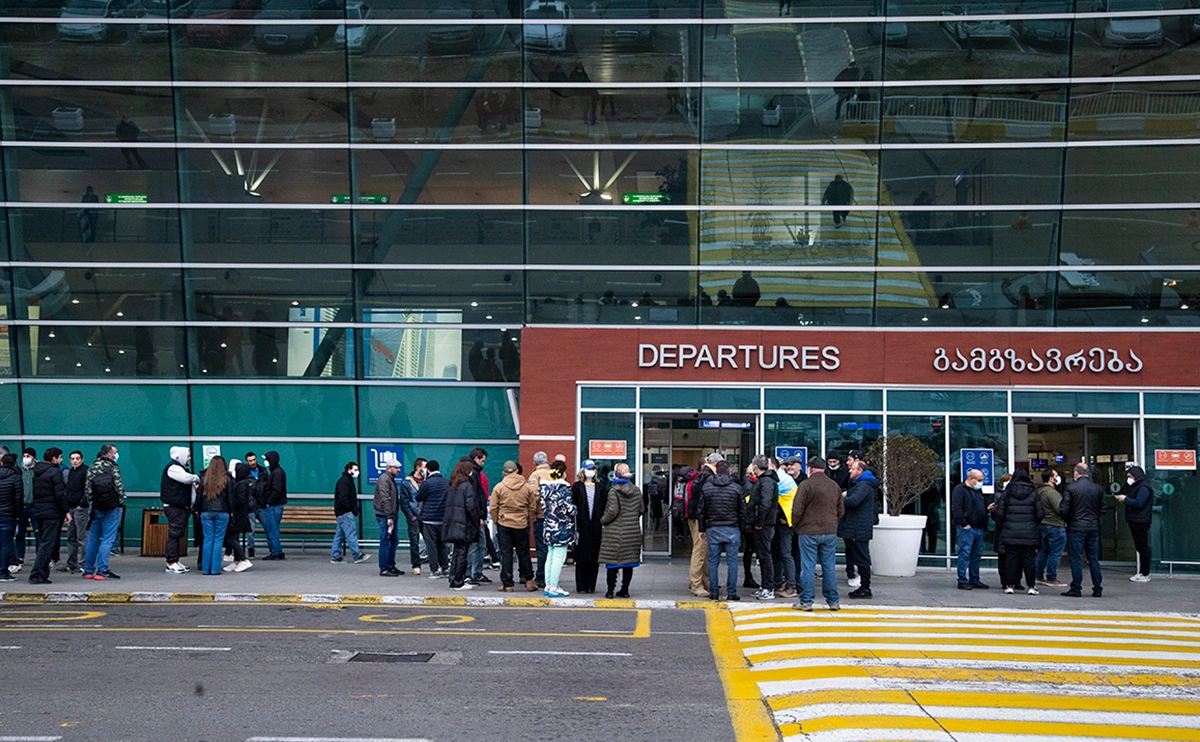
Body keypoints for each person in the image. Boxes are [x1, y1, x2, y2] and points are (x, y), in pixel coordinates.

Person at [791, 457, 844, 612]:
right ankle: (833, 601)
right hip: (829, 531)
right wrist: (833, 523)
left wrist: (797, 526)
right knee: (829, 567)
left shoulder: (806, 485)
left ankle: (806, 601)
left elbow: (797, 509)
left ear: (810, 468)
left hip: (808, 531)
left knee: (807, 566)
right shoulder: (834, 486)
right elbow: (841, 509)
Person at [698, 460, 744, 602]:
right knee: (732, 562)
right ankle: (731, 593)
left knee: (713, 561)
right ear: (729, 470)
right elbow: (743, 511)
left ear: (716, 471)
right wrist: (741, 528)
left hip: (713, 528)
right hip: (732, 528)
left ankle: (713, 593)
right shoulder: (736, 488)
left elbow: (701, 511)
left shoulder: (707, 488)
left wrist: (702, 529)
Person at [490, 460, 538, 593]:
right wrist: (528, 520)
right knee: (523, 552)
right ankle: (529, 581)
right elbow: (532, 506)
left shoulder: (499, 487)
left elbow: (493, 507)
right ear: (517, 471)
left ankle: (508, 584)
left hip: (504, 523)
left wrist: (496, 520)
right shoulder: (527, 487)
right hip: (521, 523)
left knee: (506, 554)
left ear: (504, 473)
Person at [994, 468, 1044, 595]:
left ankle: (1009, 585)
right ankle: (1031, 586)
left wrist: (1005, 524)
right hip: (1029, 533)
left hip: (1010, 531)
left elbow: (999, 512)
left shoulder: (1008, 492)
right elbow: (1040, 513)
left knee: (1011, 559)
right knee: (1029, 560)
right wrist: (1033, 524)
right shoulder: (1033, 492)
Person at [599, 463, 644, 599]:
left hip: (615, 532)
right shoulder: (636, 490)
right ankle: (624, 590)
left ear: (616, 475)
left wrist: (602, 521)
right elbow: (641, 509)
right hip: (632, 532)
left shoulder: (614, 491)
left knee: (612, 563)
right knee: (628, 563)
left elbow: (612, 511)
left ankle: (610, 591)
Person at [1059, 462, 1105, 598]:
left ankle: (1076, 588)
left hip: (1076, 526)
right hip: (1093, 526)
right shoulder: (1098, 489)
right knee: (1093, 558)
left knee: (1076, 558)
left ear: (1076, 473)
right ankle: (1097, 588)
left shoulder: (1071, 488)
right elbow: (1103, 509)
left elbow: (1064, 509)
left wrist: (1069, 520)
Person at [83, 444, 124, 581]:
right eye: (115, 452)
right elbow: (119, 487)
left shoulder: (92, 467)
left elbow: (88, 489)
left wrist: (92, 503)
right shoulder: (113, 467)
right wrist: (120, 504)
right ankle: (102, 569)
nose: (116, 455)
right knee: (108, 539)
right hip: (112, 507)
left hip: (95, 507)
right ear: (109, 455)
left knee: (93, 538)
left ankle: (88, 570)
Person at [29, 448, 69, 585]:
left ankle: (42, 574)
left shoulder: (37, 472)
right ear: (53, 459)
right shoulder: (54, 472)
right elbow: (59, 494)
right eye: (60, 457)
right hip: (52, 512)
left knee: (43, 543)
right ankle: (37, 574)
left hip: (39, 511)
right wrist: (66, 511)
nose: (61, 460)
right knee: (48, 544)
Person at [841, 459, 878, 599]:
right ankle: (864, 587)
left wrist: (841, 497)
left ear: (860, 471)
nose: (849, 470)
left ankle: (865, 588)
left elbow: (853, 501)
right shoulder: (861, 484)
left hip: (859, 529)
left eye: (853, 469)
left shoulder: (864, 485)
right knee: (859, 557)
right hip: (857, 527)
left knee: (862, 559)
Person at [443, 459, 482, 591]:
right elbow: (471, 506)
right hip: (464, 523)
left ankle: (453, 579)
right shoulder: (467, 486)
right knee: (462, 554)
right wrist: (477, 521)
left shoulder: (452, 485)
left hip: (453, 523)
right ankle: (458, 581)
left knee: (456, 553)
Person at [571, 459, 608, 594]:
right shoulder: (576, 487)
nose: (591, 471)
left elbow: (605, 506)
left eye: (593, 468)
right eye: (588, 468)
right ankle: (581, 586)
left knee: (594, 557)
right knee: (581, 558)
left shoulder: (601, 487)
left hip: (596, 527)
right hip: (581, 527)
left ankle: (591, 586)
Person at [161, 446, 199, 575]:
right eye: (188, 455)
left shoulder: (179, 468)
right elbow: (187, 478)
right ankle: (171, 562)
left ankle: (175, 560)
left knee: (178, 535)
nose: (190, 458)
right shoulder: (174, 468)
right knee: (174, 534)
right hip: (175, 508)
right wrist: (196, 478)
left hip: (181, 507)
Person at [540, 464, 577, 598]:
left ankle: (548, 584)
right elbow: (568, 508)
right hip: (562, 528)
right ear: (562, 474)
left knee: (550, 556)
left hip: (549, 526)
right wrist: (575, 509)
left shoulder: (544, 488)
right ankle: (554, 587)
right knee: (559, 558)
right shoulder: (563, 489)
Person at [951, 468, 990, 590]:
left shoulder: (978, 491)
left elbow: (979, 507)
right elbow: (956, 508)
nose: (981, 482)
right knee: (965, 553)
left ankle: (974, 579)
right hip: (967, 528)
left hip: (978, 527)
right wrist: (964, 524)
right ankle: (962, 579)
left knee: (976, 555)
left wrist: (987, 509)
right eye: (979, 480)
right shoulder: (960, 490)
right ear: (971, 478)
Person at [746, 455, 778, 601]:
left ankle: (768, 588)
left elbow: (765, 503)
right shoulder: (766, 480)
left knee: (765, 556)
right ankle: (765, 586)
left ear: (755, 466)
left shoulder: (766, 481)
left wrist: (759, 522)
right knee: (763, 555)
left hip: (764, 525)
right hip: (764, 523)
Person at [1116, 464, 1154, 583]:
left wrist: (1125, 499)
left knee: (1142, 547)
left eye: (1130, 476)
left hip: (1140, 520)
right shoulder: (1136, 486)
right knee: (1140, 546)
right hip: (1135, 519)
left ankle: (1144, 572)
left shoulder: (1143, 488)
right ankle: (1142, 572)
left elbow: (1139, 503)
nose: (1129, 478)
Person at [195, 456, 233, 576]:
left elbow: (199, 498)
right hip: (222, 511)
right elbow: (230, 498)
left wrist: (197, 511)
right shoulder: (227, 479)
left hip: (206, 511)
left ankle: (206, 569)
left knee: (207, 539)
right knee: (218, 540)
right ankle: (215, 569)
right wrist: (232, 512)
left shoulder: (203, 479)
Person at [416, 460, 450, 578]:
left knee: (431, 545)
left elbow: (418, 497)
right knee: (442, 544)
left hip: (429, 519)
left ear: (428, 470)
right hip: (443, 518)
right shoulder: (446, 482)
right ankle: (445, 567)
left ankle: (434, 570)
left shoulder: (427, 483)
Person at [331, 462, 370, 565]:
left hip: (341, 511)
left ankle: (335, 555)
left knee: (340, 535)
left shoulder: (345, 480)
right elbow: (344, 498)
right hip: (344, 512)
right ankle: (357, 555)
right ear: (349, 470)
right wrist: (349, 509)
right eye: (355, 470)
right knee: (350, 534)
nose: (357, 472)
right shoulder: (345, 482)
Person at [1035, 469, 1068, 587]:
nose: (1058, 477)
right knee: (1055, 552)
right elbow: (1060, 509)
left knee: (1044, 551)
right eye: (1056, 475)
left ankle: (1038, 575)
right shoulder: (1052, 493)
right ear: (1050, 478)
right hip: (1055, 525)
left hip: (1043, 524)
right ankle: (1051, 577)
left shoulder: (1039, 491)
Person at [463, 448, 491, 585]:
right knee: (475, 545)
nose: (483, 463)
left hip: (475, 515)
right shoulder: (473, 474)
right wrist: (479, 516)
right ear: (476, 459)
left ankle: (475, 573)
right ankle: (470, 574)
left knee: (480, 544)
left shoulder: (473, 473)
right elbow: (475, 497)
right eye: (482, 460)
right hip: (475, 517)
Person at [58, 451, 89, 575]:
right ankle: (72, 563)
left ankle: (84, 563)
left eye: (77, 458)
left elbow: (87, 489)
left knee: (82, 537)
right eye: (72, 459)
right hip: (71, 507)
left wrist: (81, 504)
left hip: (80, 508)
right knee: (71, 537)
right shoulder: (71, 472)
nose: (75, 461)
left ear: (81, 459)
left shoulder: (85, 471)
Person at [772, 457, 799, 599]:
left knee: (785, 554)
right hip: (784, 522)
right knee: (778, 554)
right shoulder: (783, 478)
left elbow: (774, 499)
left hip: (786, 524)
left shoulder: (779, 479)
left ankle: (791, 586)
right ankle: (778, 582)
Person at [373, 455, 404, 577]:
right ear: (389, 467)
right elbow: (385, 499)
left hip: (390, 515)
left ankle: (390, 565)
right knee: (385, 541)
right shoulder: (384, 479)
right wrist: (389, 516)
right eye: (396, 468)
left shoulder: (389, 479)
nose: (399, 470)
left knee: (393, 541)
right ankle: (384, 568)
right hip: (386, 516)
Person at [526, 451, 553, 587]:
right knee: (552, 548)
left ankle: (541, 577)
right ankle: (552, 577)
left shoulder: (535, 475)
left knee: (542, 548)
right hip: (555, 517)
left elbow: (532, 495)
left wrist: (533, 513)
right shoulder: (554, 473)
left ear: (534, 462)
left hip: (541, 516)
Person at [222, 464, 253, 572]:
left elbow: (240, 500)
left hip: (238, 516)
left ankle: (243, 560)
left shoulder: (241, 483)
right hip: (239, 515)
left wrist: (230, 503)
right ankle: (237, 561)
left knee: (231, 538)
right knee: (234, 538)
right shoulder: (242, 482)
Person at [398, 458, 427, 575]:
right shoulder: (407, 482)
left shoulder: (427, 481)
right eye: (424, 467)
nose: (426, 469)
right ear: (418, 467)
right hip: (414, 515)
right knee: (414, 541)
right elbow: (404, 501)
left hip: (426, 515)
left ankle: (437, 565)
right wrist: (410, 515)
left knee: (431, 541)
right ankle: (416, 565)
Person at [261, 451, 287, 560]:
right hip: (275, 505)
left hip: (274, 506)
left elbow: (277, 490)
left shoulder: (277, 473)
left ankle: (275, 551)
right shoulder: (277, 472)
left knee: (272, 530)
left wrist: (269, 502)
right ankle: (277, 551)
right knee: (273, 529)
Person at [243, 451, 268, 558]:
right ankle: (251, 549)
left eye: (254, 460)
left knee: (268, 527)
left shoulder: (263, 471)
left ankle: (273, 549)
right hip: (251, 506)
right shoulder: (245, 473)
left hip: (262, 504)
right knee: (251, 531)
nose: (253, 462)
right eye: (250, 461)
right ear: (246, 462)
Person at [0, 453, 21, 583]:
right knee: (6, 544)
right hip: (9, 515)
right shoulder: (15, 478)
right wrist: (18, 515)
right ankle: (3, 571)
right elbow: (18, 498)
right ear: (14, 464)